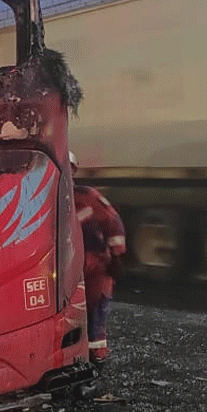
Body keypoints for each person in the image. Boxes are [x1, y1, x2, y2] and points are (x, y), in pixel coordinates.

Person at [70, 151, 127, 365]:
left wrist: (117, 256)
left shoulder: (87, 196)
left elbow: (112, 222)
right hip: (68, 267)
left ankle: (96, 356)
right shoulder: (46, 197)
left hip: (95, 264)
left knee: (96, 310)